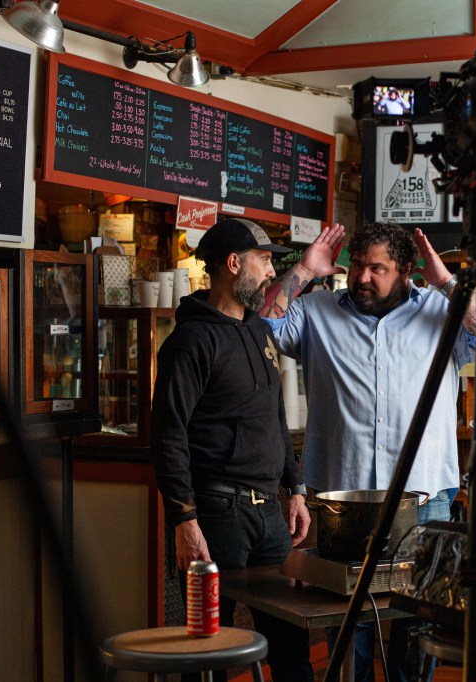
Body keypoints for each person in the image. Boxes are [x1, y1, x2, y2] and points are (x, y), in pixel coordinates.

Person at [263, 221, 476, 682]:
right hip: (343, 498)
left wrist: (447, 282)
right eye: (358, 265)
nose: (362, 277)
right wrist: (304, 270)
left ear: (406, 270)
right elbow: (260, 324)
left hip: (424, 494)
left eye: (377, 268)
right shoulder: (317, 312)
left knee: (417, 619)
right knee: (349, 616)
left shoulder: (443, 311)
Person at [151, 217, 314, 682]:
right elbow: (168, 435)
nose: (271, 272)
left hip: (269, 514)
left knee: (291, 645)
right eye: (264, 261)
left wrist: (295, 489)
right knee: (210, 651)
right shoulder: (189, 342)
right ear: (234, 264)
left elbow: (275, 417)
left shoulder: (260, 332)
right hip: (216, 512)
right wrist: (184, 520)